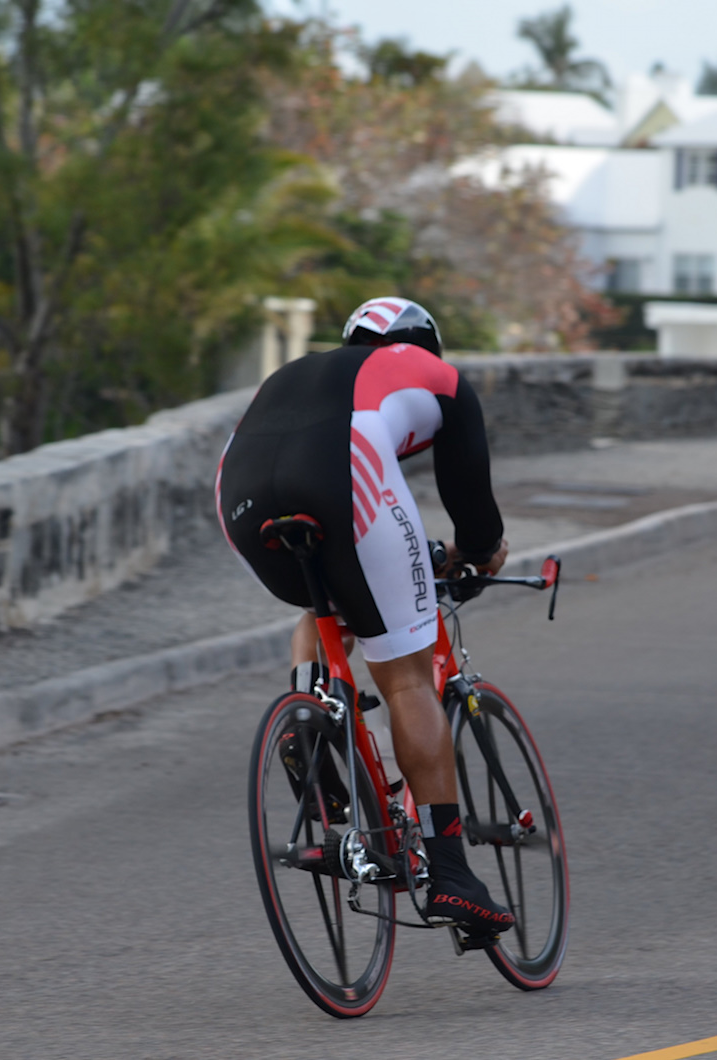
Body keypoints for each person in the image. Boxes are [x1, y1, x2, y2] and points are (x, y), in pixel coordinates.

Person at [216, 296, 515, 937]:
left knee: (324, 604)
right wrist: (480, 552)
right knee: (405, 676)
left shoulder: (303, 373)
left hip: (238, 493)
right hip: (341, 471)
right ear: (425, 346)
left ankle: (308, 717)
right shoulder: (438, 377)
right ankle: (452, 876)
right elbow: (470, 497)